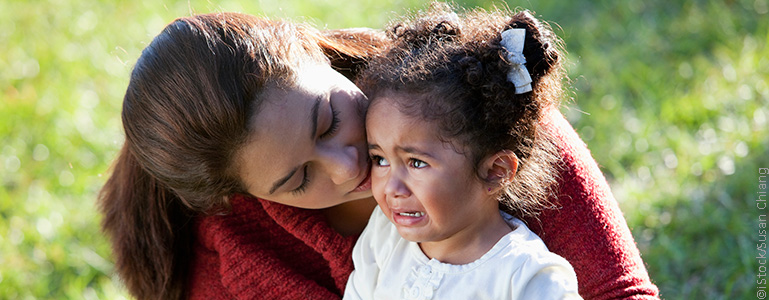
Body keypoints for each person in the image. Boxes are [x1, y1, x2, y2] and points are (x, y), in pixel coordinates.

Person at [98, 7, 659, 300]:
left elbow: (616, 290)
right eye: (298, 180)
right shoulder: (234, 249)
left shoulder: (467, 95)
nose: (348, 166)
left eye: (327, 121)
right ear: (242, 198)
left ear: (311, 50)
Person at [344, 7, 580, 299]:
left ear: (496, 171)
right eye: (380, 159)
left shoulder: (526, 277)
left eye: (416, 162)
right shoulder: (384, 236)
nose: (391, 187)